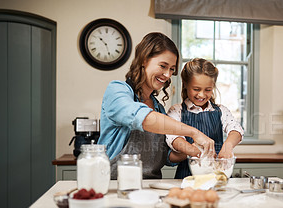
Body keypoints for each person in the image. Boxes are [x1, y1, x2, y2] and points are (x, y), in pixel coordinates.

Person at [97, 33, 215, 179]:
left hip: (149, 188)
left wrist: (195, 151)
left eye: (172, 69)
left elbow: (166, 156)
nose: (167, 75)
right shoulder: (117, 91)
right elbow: (142, 118)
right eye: (163, 66)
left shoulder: (158, 108)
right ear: (144, 60)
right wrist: (195, 133)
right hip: (113, 185)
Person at [166, 58, 244, 179]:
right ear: (186, 84)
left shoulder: (220, 110)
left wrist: (227, 146)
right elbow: (174, 138)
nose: (202, 95)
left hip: (218, 176)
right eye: (196, 89)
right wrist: (197, 152)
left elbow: (236, 130)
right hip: (187, 176)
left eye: (208, 90)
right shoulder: (176, 111)